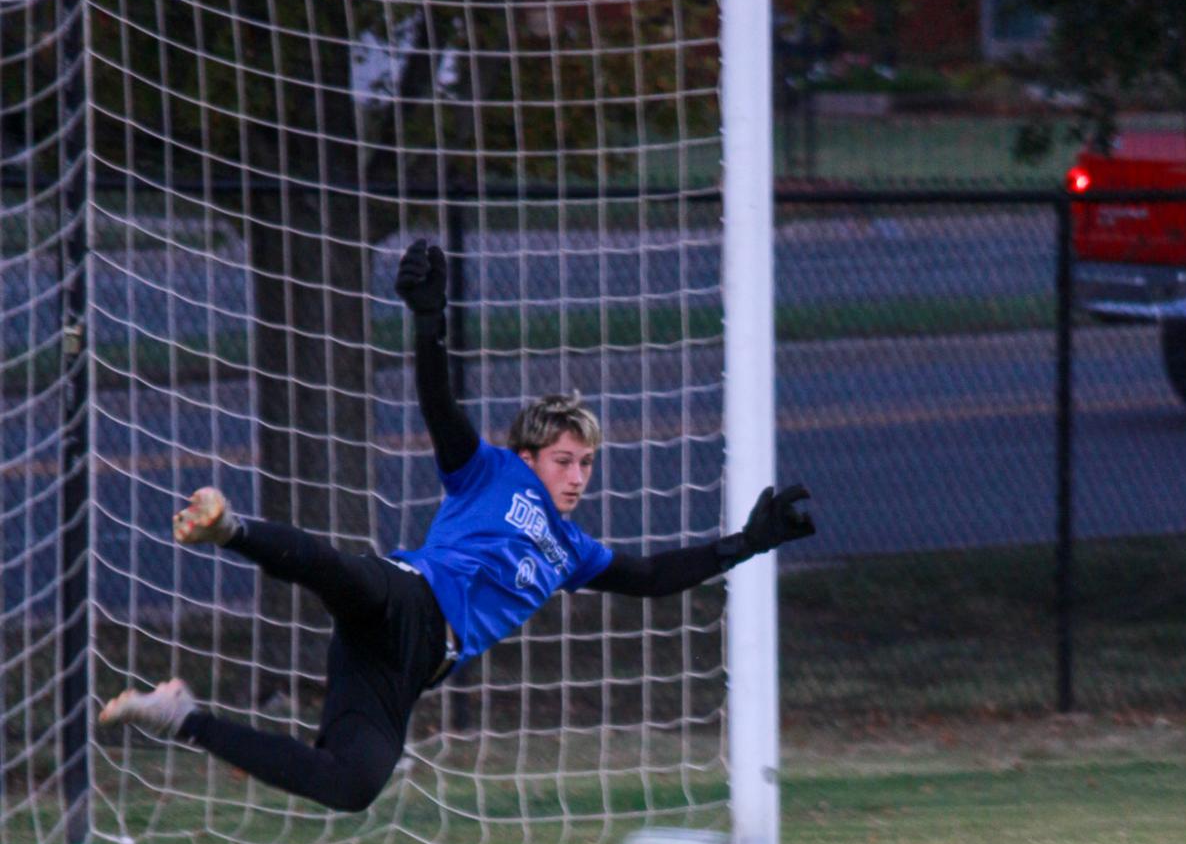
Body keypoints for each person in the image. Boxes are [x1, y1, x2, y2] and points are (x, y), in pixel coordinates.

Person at [98, 238, 815, 814]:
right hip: (410, 595)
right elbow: (440, 407)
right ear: (529, 455)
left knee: (350, 786)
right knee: (343, 574)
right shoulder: (490, 471)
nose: (576, 476)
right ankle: (231, 530)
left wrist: (748, 542)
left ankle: (179, 717)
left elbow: (654, 578)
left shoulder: (573, 551)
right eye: (564, 459)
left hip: (410, 667)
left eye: (586, 463)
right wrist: (429, 319)